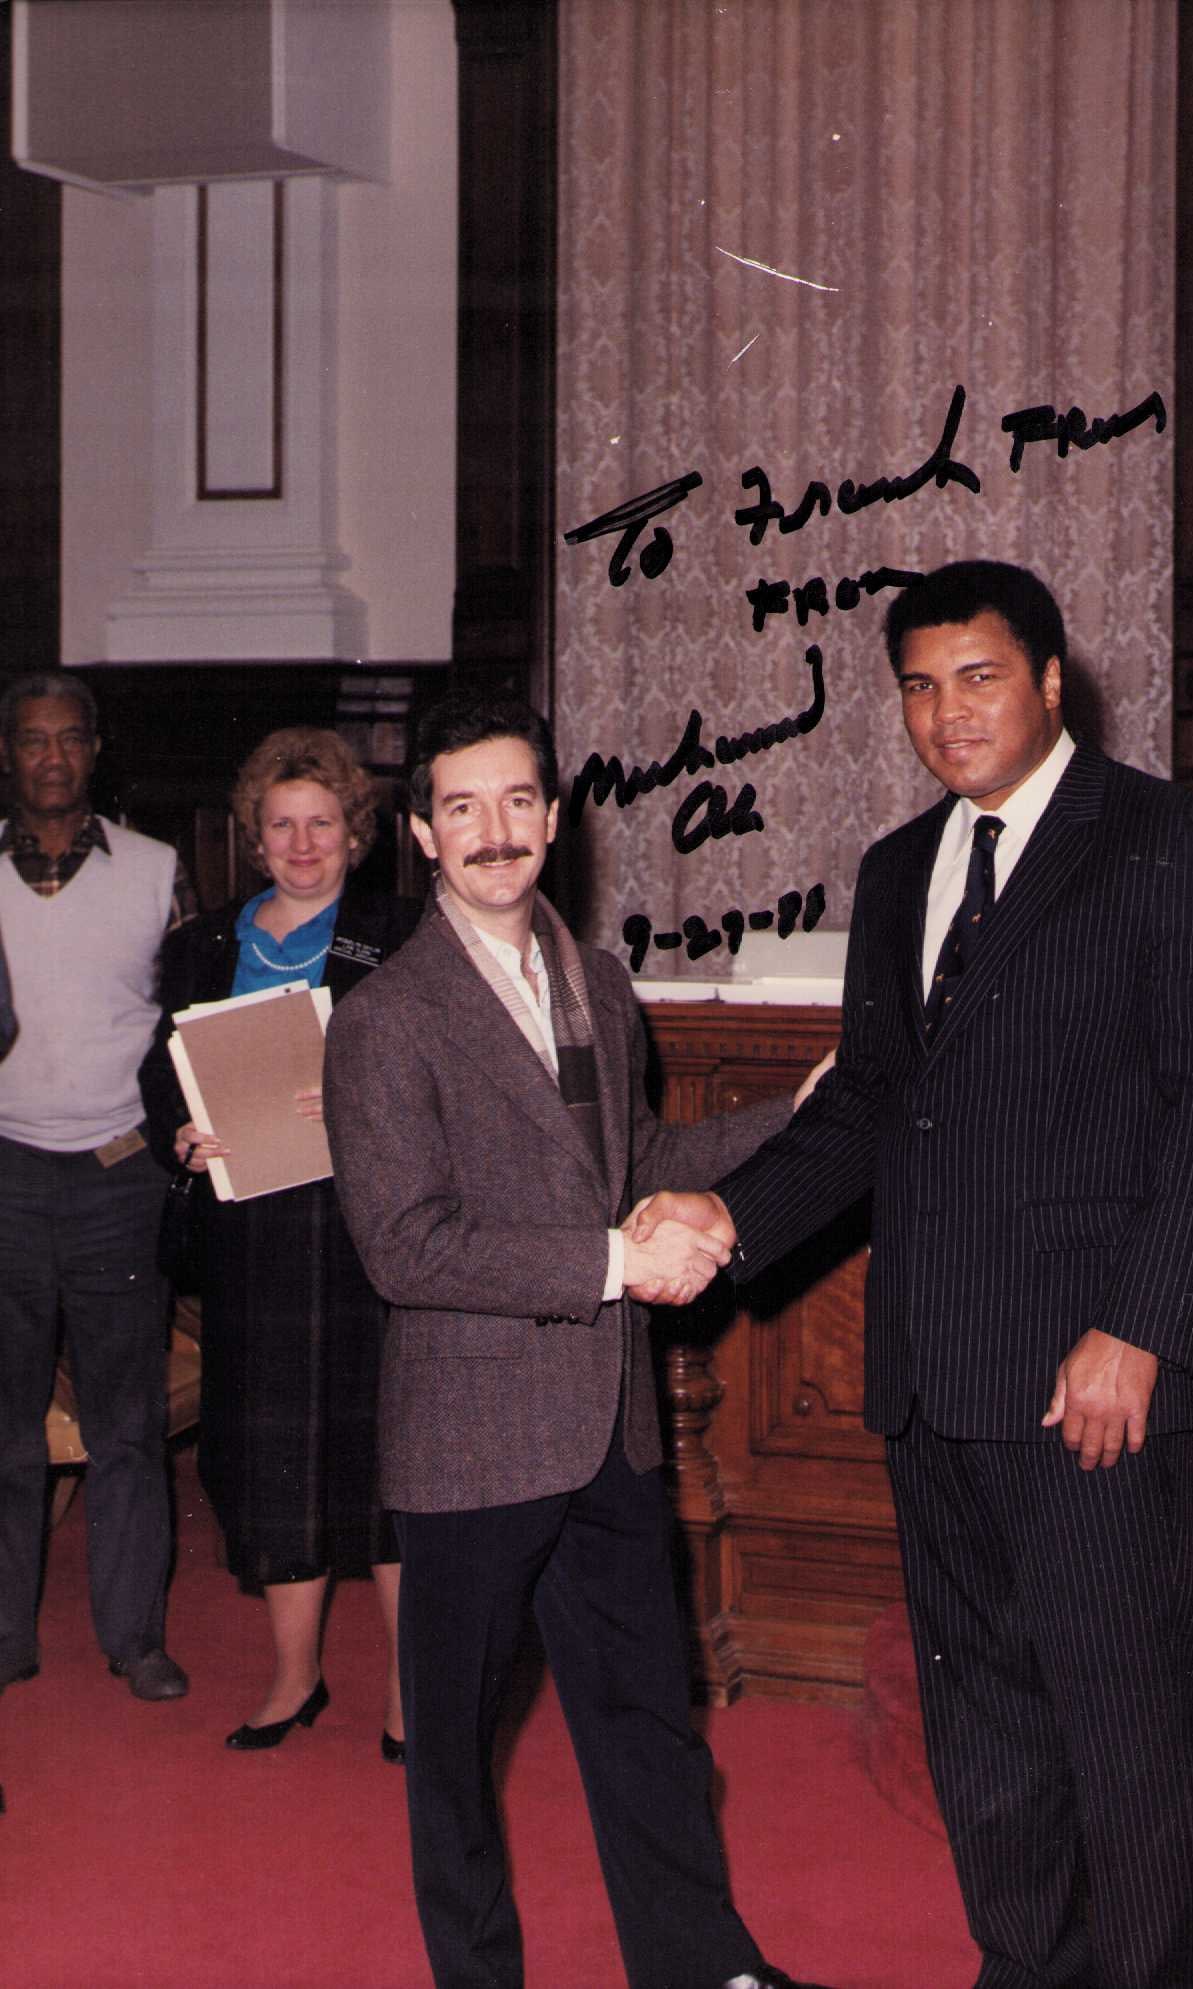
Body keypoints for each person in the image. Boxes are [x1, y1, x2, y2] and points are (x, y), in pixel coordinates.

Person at [636, 560, 1193, 1989]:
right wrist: (729, 1220)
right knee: (984, 1731)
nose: (945, 714)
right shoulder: (894, 870)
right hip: (931, 1375)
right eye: (917, 686)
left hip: (1089, 1377)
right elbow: (866, 1107)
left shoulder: (1170, 841)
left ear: (1052, 681)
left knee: (1125, 1736)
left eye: (977, 677)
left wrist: (1138, 1329)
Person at [321, 693, 832, 1989]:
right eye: (459, 808)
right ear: (423, 837)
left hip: (606, 1426)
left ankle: (701, 1965)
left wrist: (794, 1117)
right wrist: (615, 1262)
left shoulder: (594, 979)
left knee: (647, 1724)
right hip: (471, 1442)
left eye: (514, 802)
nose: (493, 831)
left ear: (552, 816)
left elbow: (638, 1160)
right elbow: (406, 1245)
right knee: (454, 1752)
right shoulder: (387, 1018)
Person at [141, 727, 421, 1754]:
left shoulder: (401, 933)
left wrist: (361, 1095)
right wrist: (181, 1130)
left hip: (366, 1232)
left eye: (323, 824)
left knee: (384, 1460)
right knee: (272, 1463)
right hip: (249, 1228)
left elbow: (444, 1073)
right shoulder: (202, 944)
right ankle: (294, 1679)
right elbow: (160, 1069)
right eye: (281, 826)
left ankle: (407, 1695)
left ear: (357, 835)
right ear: (254, 840)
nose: (303, 845)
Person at [0, 670, 192, 1702]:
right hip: (3, 1174)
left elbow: (188, 1024)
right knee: (3, 1424)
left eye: (70, 739)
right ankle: (3, 1634)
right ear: (7, 753)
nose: (52, 758)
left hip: (121, 1178)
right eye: (32, 740)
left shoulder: (158, 871)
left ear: (95, 749)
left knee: (126, 1424)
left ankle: (134, 1637)